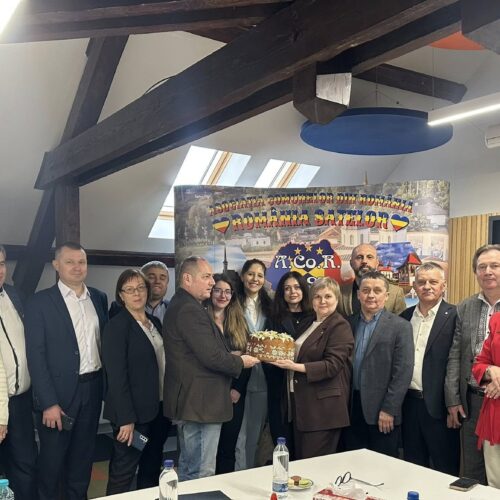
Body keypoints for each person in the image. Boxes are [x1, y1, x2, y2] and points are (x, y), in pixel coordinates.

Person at [24, 241, 108, 500]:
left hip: (92, 389)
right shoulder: (39, 302)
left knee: (83, 460)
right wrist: (48, 402)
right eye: (69, 262)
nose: (77, 267)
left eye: (81, 262)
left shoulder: (99, 298)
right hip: (57, 397)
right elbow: (35, 357)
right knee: (52, 464)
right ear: (56, 265)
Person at [163, 257, 259, 480]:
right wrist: (241, 362)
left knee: (189, 468)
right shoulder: (189, 309)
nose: (211, 282)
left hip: (195, 402)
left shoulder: (186, 305)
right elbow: (211, 357)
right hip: (201, 404)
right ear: (187, 278)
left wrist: (231, 356)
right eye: (206, 277)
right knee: (201, 472)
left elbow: (202, 352)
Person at [102, 269, 172, 494]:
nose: (137, 293)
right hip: (133, 417)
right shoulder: (117, 326)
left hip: (158, 410)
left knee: (151, 465)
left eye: (141, 287)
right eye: (130, 289)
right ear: (121, 295)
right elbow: (116, 377)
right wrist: (126, 419)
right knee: (124, 470)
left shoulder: (154, 322)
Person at [272, 277, 354, 459]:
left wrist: (295, 366)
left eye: (328, 296)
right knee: (302, 464)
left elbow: (332, 365)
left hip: (323, 411)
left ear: (337, 299)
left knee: (314, 466)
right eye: (317, 296)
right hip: (302, 406)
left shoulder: (340, 325)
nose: (322, 301)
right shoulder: (309, 323)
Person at [445, 244, 500, 484]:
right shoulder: (465, 306)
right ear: (475, 272)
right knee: (471, 471)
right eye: (482, 267)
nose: (488, 271)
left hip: (498, 399)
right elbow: (455, 354)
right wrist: (453, 399)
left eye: (495, 265)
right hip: (472, 400)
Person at [344, 271, 414, 457]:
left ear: (387, 295)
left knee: (383, 466)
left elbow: (403, 372)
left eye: (377, 290)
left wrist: (389, 409)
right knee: (353, 463)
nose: (371, 295)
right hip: (351, 407)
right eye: (366, 290)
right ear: (358, 294)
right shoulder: (348, 323)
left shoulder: (401, 326)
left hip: (382, 411)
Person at [400, 262, 459, 475]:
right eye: (421, 282)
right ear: (414, 286)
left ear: (444, 285)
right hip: (408, 405)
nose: (427, 286)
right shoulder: (404, 317)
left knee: (445, 469)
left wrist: (453, 403)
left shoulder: (455, 315)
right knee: (413, 467)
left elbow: (457, 363)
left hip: (440, 407)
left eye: (433, 282)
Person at [0, 245, 37, 500]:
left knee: (25, 465)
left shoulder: (14, 295)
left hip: (21, 401)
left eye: (2, 263)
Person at [205, 273, 251, 474]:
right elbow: (206, 358)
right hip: (208, 394)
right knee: (208, 451)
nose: (223, 296)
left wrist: (238, 389)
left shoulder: (239, 322)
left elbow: (248, 359)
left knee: (228, 448)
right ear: (210, 292)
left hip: (234, 394)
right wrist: (232, 356)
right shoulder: (201, 319)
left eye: (227, 292)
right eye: (217, 290)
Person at [269, 271, 315, 451]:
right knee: (282, 441)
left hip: (307, 389)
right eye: (287, 288)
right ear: (282, 293)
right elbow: (267, 354)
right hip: (280, 388)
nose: (292, 292)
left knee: (305, 445)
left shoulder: (315, 317)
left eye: (297, 287)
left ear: (304, 289)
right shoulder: (274, 318)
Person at [237, 258, 273, 469]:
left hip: (261, 380)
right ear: (243, 276)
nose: (255, 279)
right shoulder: (232, 303)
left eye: (260, 275)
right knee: (237, 436)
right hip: (236, 380)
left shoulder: (270, 305)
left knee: (254, 435)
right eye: (251, 274)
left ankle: (248, 472)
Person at [337, 243, 406, 318]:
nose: (364, 261)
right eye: (359, 257)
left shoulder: (395, 293)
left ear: (377, 263)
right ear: (351, 263)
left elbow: (401, 323)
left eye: (369, 257)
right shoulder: (339, 293)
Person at [472, 312, 500, 488]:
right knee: (495, 484)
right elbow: (479, 364)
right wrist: (490, 370)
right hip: (495, 417)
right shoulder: (497, 319)